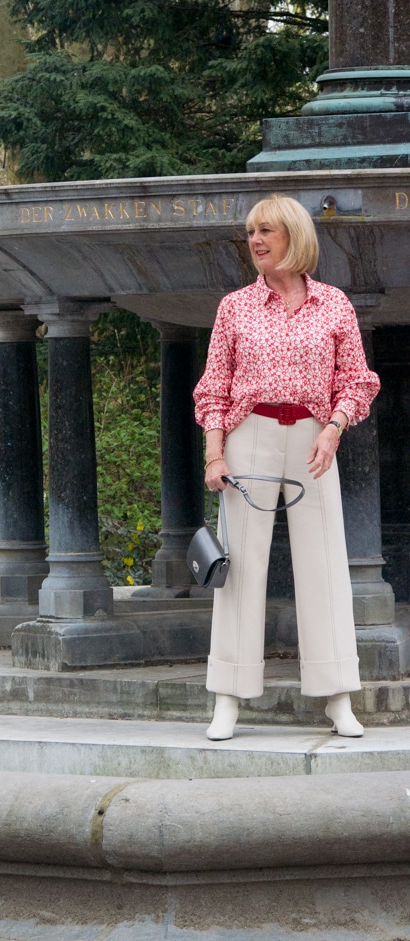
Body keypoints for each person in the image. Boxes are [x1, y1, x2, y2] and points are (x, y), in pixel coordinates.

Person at [193, 194, 380, 741]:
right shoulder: (235, 307)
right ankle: (227, 698)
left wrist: (333, 428)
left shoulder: (334, 305)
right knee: (239, 571)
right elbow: (214, 387)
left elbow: (356, 380)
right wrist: (214, 452)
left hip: (313, 440)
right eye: (251, 232)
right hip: (246, 437)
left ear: (294, 236)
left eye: (266, 231)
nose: (255, 241)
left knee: (325, 566)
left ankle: (338, 697)